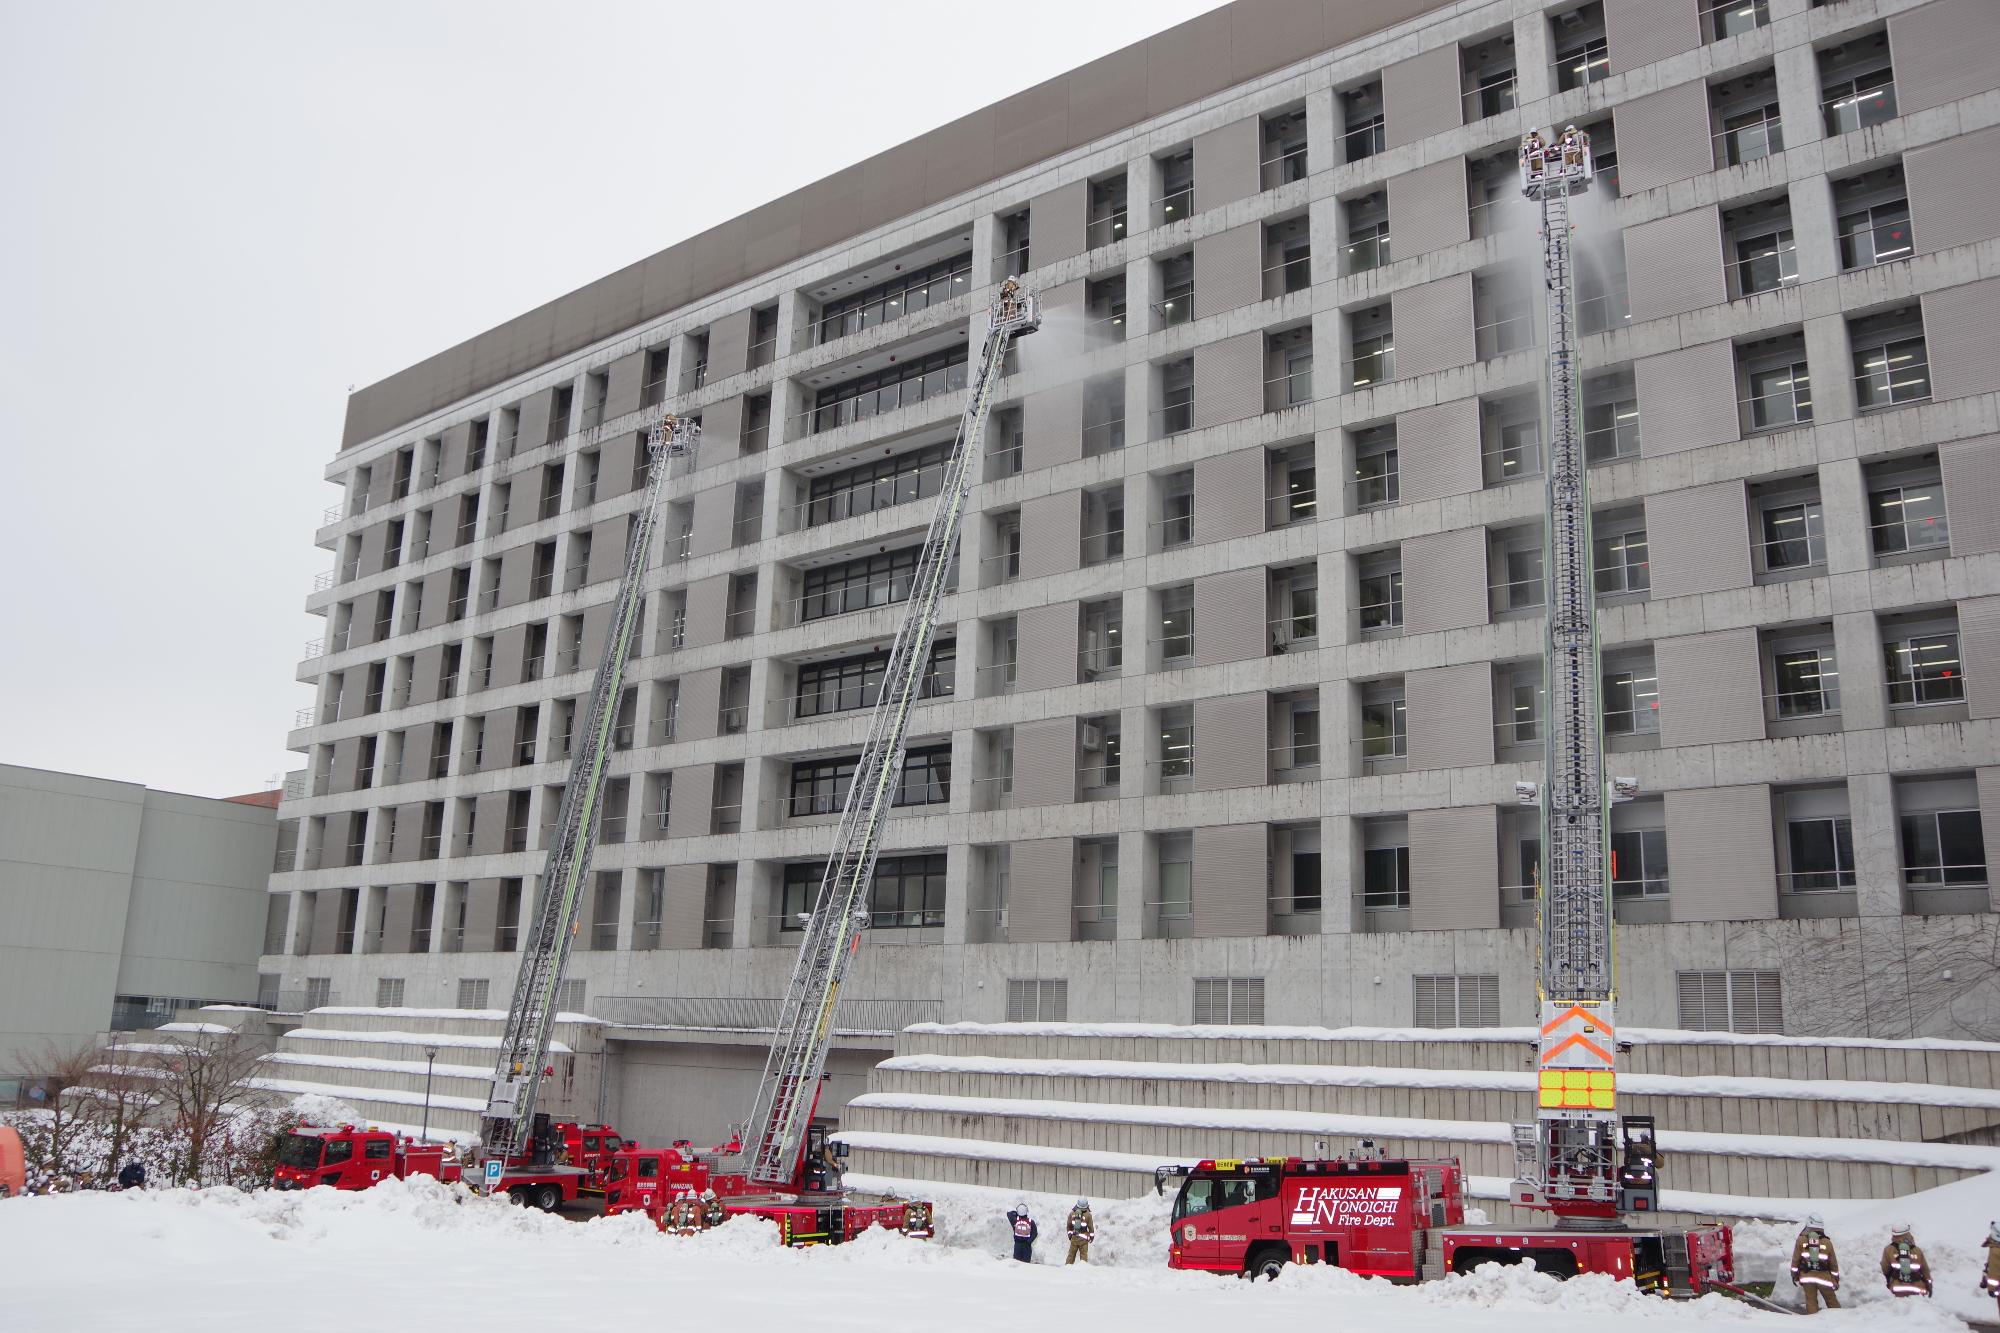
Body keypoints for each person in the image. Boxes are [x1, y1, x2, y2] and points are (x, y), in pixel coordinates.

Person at [1790, 1215, 1841, 1313]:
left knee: (1811, 1303)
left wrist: (1794, 1275)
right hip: (1824, 1278)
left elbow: (1795, 1260)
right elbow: (1833, 1263)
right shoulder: (1827, 1242)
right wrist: (1835, 1279)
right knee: (1832, 1301)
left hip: (1807, 1277)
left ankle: (1813, 1323)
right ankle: (1839, 1320)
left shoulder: (1801, 1240)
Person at [1881, 1224, 1932, 1297]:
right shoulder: (1917, 1250)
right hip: (1918, 1290)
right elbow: (1925, 1271)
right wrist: (1929, 1285)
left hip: (1897, 1289)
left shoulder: (1888, 1250)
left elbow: (1884, 1270)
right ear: (1908, 1233)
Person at [1065, 1199, 1095, 1265]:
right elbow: (1091, 1228)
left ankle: (1067, 1268)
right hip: (1084, 1240)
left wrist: (1070, 1235)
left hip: (1074, 1238)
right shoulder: (1088, 1215)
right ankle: (1083, 1269)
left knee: (1071, 1255)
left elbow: (1068, 1226)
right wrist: (1091, 1237)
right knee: (1084, 1256)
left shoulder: (1072, 1213)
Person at [1979, 1221, 1999, 1318]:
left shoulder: (1995, 1249)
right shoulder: (1994, 1246)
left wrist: (1992, 1288)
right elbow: (1990, 1266)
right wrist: (1985, 1277)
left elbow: (1994, 1271)